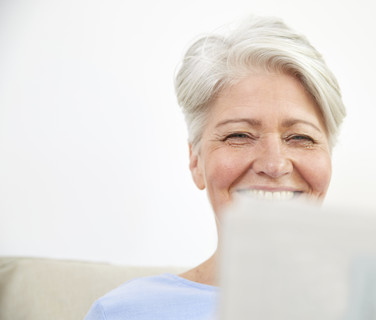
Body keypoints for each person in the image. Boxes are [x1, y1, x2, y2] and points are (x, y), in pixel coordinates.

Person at [84, 15, 346, 320]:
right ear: (196, 161)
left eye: (301, 137)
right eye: (239, 136)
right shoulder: (126, 311)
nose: (274, 164)